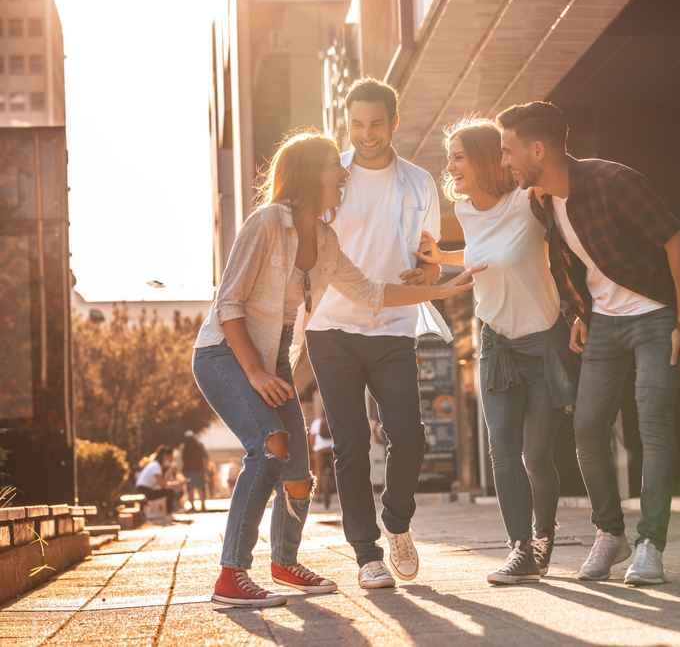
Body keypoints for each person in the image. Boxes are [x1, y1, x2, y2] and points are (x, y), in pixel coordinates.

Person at [192, 129, 482, 608]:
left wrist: (445, 291)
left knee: (299, 473)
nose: (343, 175)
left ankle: (284, 563)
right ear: (309, 175)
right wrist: (258, 375)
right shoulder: (266, 224)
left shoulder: (323, 239)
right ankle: (231, 575)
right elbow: (229, 306)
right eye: (334, 167)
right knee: (269, 448)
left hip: (272, 358)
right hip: (227, 352)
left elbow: (372, 293)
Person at [497, 101, 680, 586]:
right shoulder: (544, 200)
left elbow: (678, 243)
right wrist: (578, 314)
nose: (505, 162)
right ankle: (611, 533)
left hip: (654, 316)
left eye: (508, 151)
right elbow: (566, 263)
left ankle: (651, 545)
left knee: (651, 426)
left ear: (537, 149)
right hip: (605, 322)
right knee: (587, 429)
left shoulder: (612, 182)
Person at [304, 78, 451, 590]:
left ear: (394, 122)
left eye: (377, 124)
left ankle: (397, 523)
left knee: (408, 434)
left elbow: (429, 257)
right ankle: (366, 552)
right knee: (348, 443)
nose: (367, 135)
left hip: (393, 324)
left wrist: (428, 276)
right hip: (331, 326)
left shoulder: (419, 183)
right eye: (358, 125)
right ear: (348, 125)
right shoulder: (332, 178)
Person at [417, 118, 577, 585]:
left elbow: (563, 247)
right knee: (502, 450)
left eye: (458, 155)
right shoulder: (466, 212)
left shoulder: (529, 203)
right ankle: (519, 549)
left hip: (542, 343)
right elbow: (479, 254)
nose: (450, 165)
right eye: (450, 157)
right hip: (496, 345)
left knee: (536, 455)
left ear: (489, 158)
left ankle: (543, 539)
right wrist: (439, 258)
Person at [135, 445, 182, 514]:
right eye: (170, 457)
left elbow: (162, 483)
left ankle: (168, 512)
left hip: (144, 489)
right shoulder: (156, 466)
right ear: (165, 456)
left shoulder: (155, 465)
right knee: (169, 492)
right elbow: (163, 484)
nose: (171, 459)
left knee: (170, 491)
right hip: (144, 491)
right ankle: (168, 513)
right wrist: (175, 484)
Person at [308, 413, 335, 509]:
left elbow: (312, 438)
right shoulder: (335, 420)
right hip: (333, 449)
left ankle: (318, 494)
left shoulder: (317, 422)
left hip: (320, 450)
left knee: (318, 471)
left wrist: (313, 449)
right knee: (339, 470)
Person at [180, 430, 209, 512]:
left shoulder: (184, 446)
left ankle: (193, 507)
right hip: (199, 470)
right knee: (201, 488)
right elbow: (205, 457)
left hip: (188, 471)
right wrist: (205, 469)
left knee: (190, 488)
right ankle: (203, 506)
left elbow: (182, 460)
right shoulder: (199, 445)